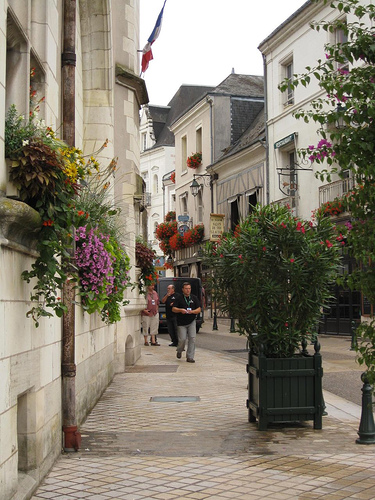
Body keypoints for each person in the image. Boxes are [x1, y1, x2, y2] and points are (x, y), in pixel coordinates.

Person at [172, 282, 201, 363]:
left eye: (189, 288)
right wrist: (180, 310)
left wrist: (193, 312)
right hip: (181, 322)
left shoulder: (194, 298)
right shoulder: (179, 298)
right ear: (183, 289)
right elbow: (173, 309)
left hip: (191, 321)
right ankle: (179, 350)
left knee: (192, 338)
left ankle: (190, 357)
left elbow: (199, 309)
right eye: (186, 289)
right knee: (182, 339)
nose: (188, 290)